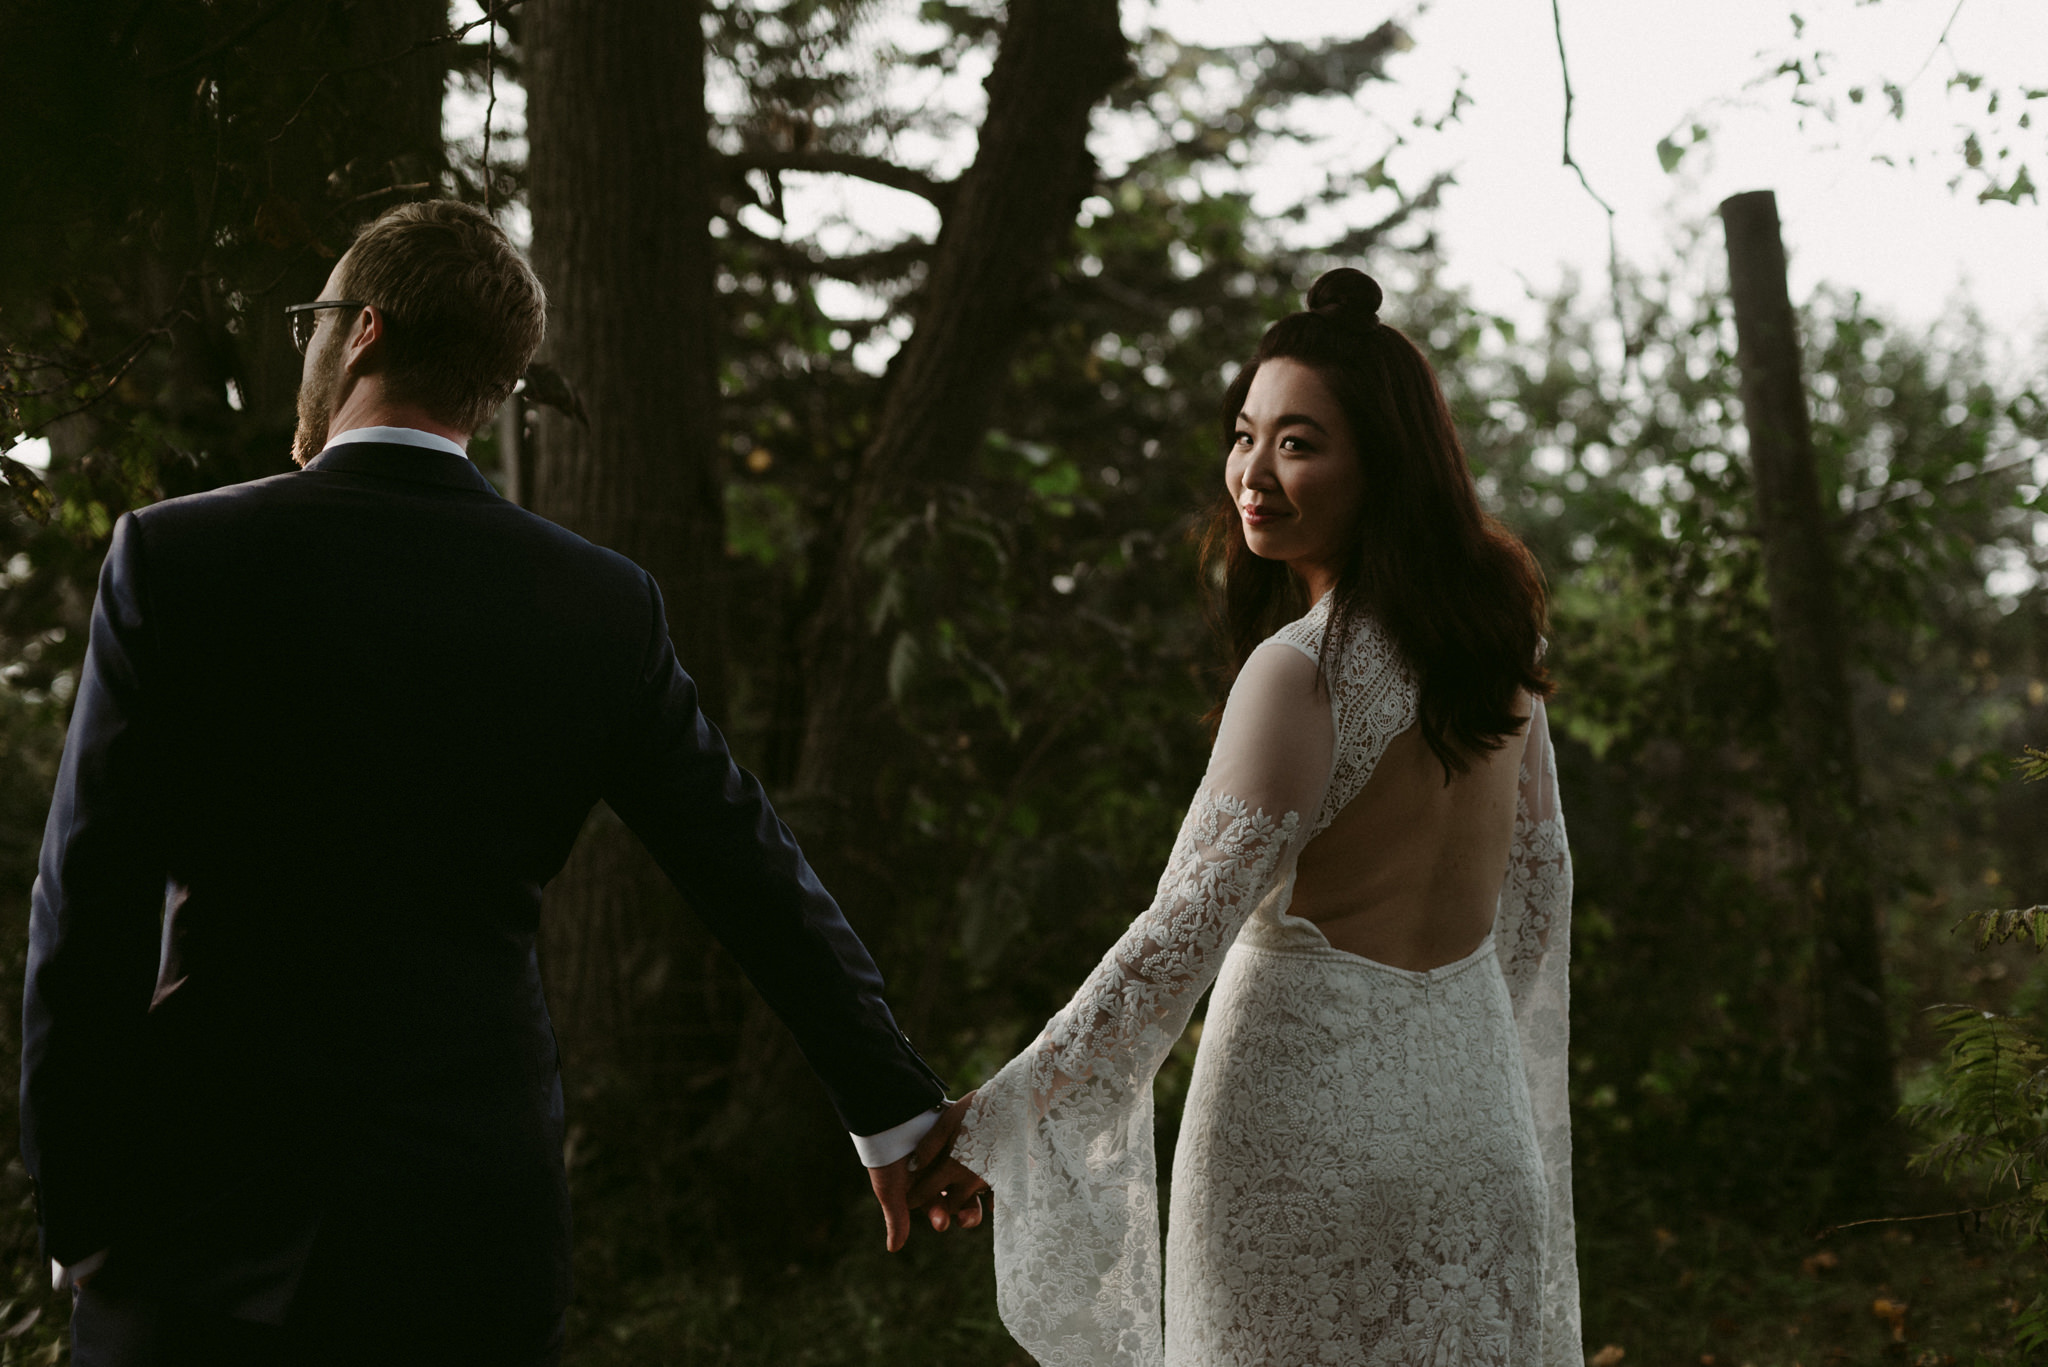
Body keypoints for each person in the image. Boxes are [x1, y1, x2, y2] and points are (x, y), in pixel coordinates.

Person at [21, 199, 949, 1366]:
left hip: (203, 1213)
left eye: (312, 318)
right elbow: (745, 862)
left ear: (360, 332)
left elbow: (88, 900)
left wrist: (79, 1197)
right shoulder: (597, 603)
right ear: (492, 383)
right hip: (466, 1221)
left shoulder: (181, 555)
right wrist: (893, 1106)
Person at [908, 268, 1581, 1365]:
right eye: (1244, 434)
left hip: (1298, 1151)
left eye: (1297, 442)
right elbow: (1536, 896)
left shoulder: (1297, 672)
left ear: (1382, 465)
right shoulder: (1501, 657)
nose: (1250, 476)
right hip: (1474, 1129)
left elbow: (1176, 938)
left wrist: (1003, 1115)